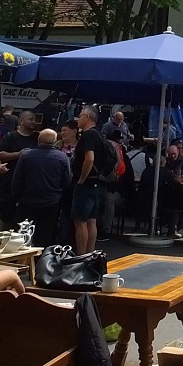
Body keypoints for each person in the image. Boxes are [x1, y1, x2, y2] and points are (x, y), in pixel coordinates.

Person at [11, 128, 71, 246]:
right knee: (45, 235)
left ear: (39, 140)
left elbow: (17, 179)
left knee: (23, 234)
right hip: (51, 201)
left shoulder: (26, 156)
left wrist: (16, 198)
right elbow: (67, 181)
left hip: (27, 200)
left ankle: (21, 260)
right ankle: (40, 261)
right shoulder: (62, 157)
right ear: (54, 141)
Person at [0, 110, 39, 228]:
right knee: (7, 220)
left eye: (34, 119)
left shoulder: (37, 138)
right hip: (9, 184)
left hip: (30, 187)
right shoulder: (10, 137)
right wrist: (17, 154)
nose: (34, 122)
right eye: (31, 119)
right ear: (21, 121)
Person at [71, 106, 105, 255]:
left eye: (80, 116)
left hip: (86, 183)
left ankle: (81, 256)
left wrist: (81, 179)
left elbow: (89, 158)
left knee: (80, 221)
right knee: (91, 220)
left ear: (88, 117)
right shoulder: (99, 135)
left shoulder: (88, 136)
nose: (78, 119)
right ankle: (89, 255)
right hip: (97, 183)